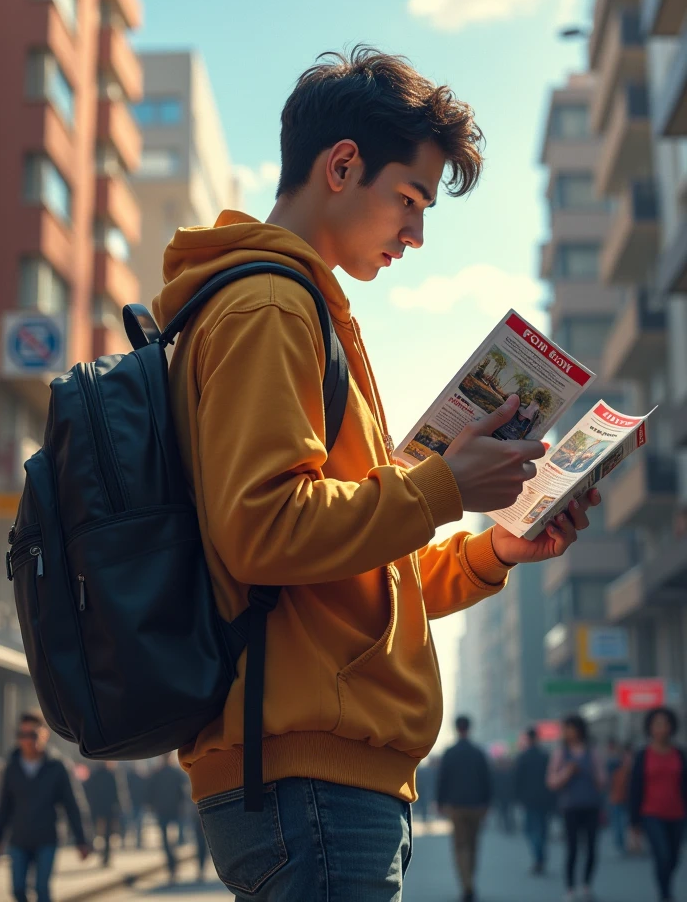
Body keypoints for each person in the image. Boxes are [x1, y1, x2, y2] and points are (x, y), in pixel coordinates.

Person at [153, 46, 601, 901]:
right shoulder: (271, 306)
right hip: (309, 783)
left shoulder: (300, 310)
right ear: (342, 164)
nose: (416, 234)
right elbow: (265, 532)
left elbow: (361, 581)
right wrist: (442, 489)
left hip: (324, 781)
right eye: (410, 199)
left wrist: (494, 550)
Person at [0, 711, 91, 902]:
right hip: (19, 839)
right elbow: (5, 807)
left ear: (44, 735)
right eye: (22, 735)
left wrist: (83, 840)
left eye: (32, 735)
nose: (27, 741)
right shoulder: (12, 766)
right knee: (17, 888)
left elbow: (73, 805)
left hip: (47, 838)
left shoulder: (57, 766)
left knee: (42, 889)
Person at [629, 707, 687, 902]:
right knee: (662, 855)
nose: (662, 729)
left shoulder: (679, 754)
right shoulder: (643, 755)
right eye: (657, 724)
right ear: (650, 728)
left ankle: (666, 886)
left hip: (677, 813)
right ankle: (665, 894)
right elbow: (635, 788)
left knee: (674, 858)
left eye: (665, 724)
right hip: (651, 813)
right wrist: (634, 823)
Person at [548, 714, 606, 902]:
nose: (569, 733)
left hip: (590, 805)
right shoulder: (560, 753)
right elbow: (551, 781)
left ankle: (586, 884)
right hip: (570, 807)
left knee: (591, 847)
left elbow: (602, 780)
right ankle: (570, 887)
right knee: (572, 848)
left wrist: (594, 777)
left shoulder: (592, 752)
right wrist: (568, 772)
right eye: (566, 729)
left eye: (572, 728)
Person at [437, 716, 492, 902]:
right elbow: (487, 780)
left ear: (455, 729)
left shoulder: (450, 753)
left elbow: (442, 780)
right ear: (470, 728)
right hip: (476, 806)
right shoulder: (478, 753)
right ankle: (470, 881)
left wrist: (440, 802)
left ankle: (466, 884)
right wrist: (487, 803)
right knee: (474, 845)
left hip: (456, 806)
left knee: (460, 846)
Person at [514, 726, 554, 875]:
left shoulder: (523, 758)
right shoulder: (545, 756)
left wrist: (518, 798)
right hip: (544, 799)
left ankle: (538, 858)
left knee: (531, 830)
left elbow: (518, 780)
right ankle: (541, 856)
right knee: (542, 829)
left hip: (529, 800)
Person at [146, 753, 188, 883]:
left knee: (167, 841)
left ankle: (172, 866)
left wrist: (151, 806)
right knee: (172, 841)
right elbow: (183, 792)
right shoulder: (175, 773)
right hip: (173, 810)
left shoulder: (156, 774)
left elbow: (149, 793)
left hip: (163, 811)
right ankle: (173, 866)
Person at [84, 760, 129, 866]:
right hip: (109, 808)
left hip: (99, 808)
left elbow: (90, 791)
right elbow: (118, 791)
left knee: (100, 833)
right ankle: (106, 855)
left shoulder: (95, 774)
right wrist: (121, 807)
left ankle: (102, 854)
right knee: (107, 834)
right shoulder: (112, 774)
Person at [606, 739, 632, 854]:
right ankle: (621, 843)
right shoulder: (614, 763)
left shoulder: (615, 763)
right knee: (619, 821)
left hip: (622, 796)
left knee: (620, 821)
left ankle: (622, 843)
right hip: (617, 796)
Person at [124, 762, 149, 849]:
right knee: (138, 824)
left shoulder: (129, 778)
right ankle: (137, 842)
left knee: (133, 823)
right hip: (137, 803)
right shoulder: (142, 778)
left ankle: (130, 842)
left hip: (134, 803)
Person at [492, 755, 516, 834]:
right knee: (505, 810)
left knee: (506, 810)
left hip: (506, 794)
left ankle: (507, 824)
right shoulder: (498, 772)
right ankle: (507, 824)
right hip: (503, 795)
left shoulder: (508, 772)